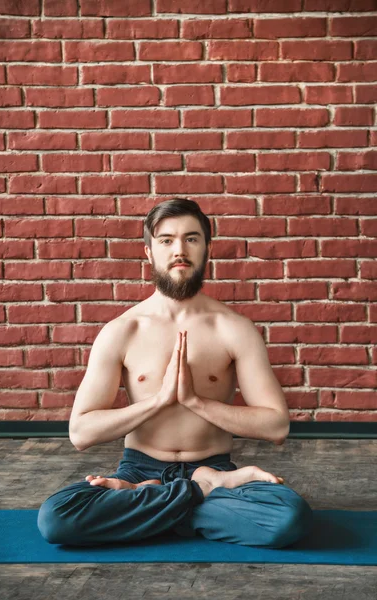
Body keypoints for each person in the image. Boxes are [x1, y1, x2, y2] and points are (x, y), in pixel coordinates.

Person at [38, 198, 313, 548]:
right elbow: (80, 432)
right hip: (139, 470)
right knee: (57, 517)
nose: (179, 250)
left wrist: (194, 401)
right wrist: (158, 401)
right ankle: (199, 493)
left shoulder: (235, 329)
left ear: (207, 249)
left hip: (212, 464)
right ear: (149, 252)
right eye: (166, 240)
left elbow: (277, 427)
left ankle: (151, 504)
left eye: (192, 239)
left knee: (290, 518)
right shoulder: (122, 330)